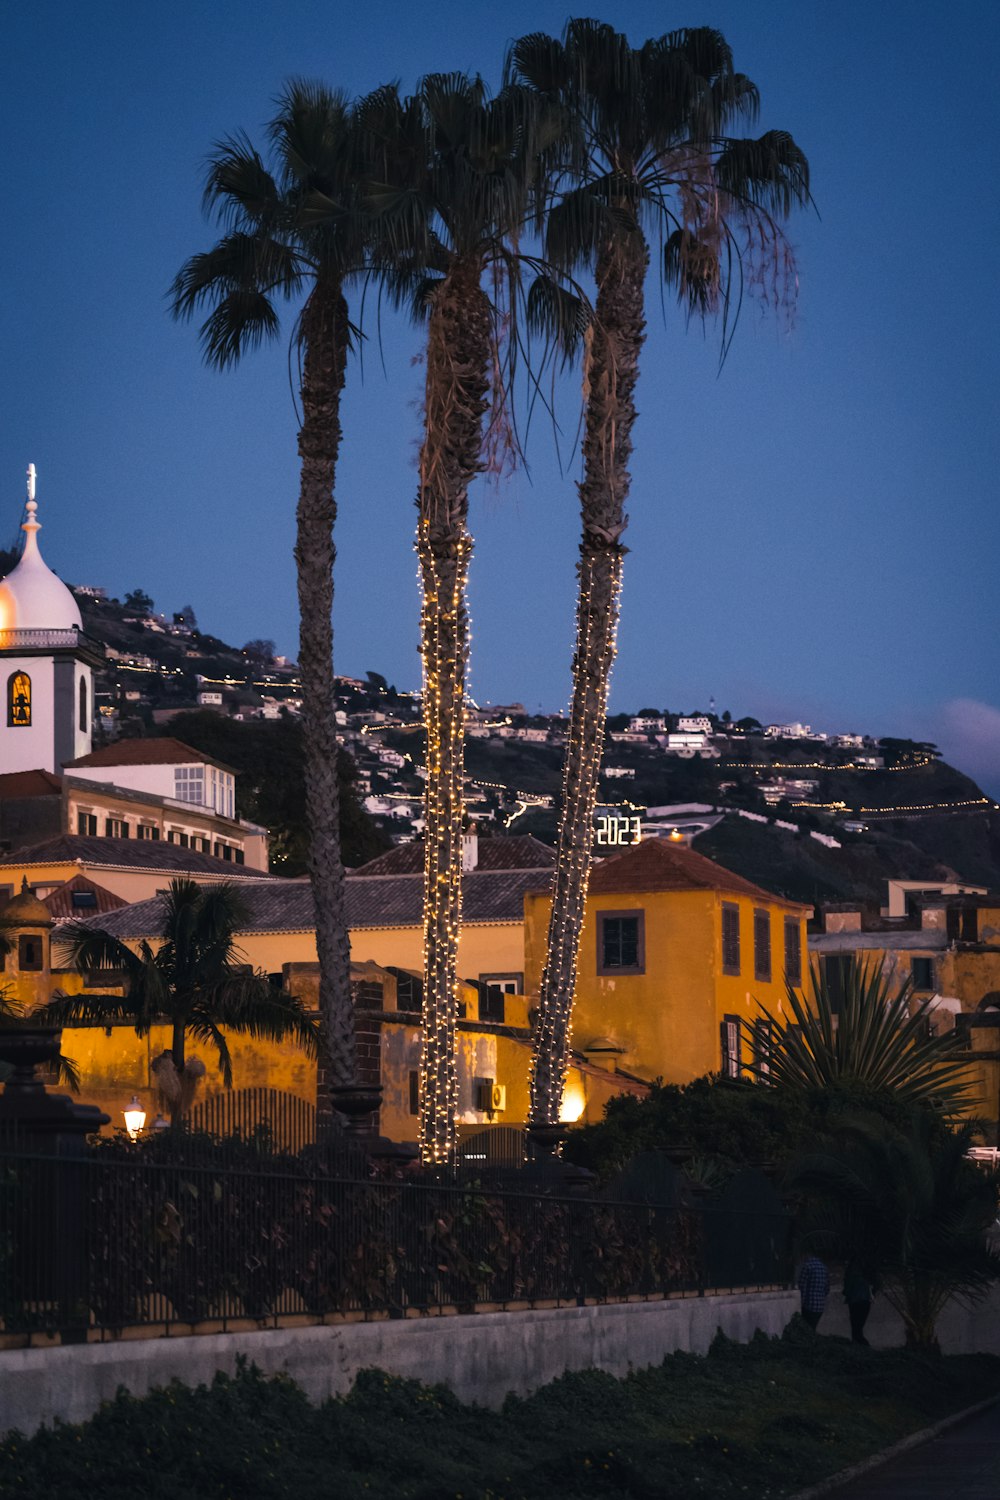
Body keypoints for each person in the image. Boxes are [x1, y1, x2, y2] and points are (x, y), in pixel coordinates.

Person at [843, 1260, 877, 1345]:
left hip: (855, 1301)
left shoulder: (852, 1272)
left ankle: (861, 1346)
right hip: (865, 1301)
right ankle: (861, 1346)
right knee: (859, 1327)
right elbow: (877, 1283)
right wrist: (872, 1293)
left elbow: (847, 1289)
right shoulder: (868, 1271)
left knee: (856, 1328)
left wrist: (846, 1292)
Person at [797, 1254, 830, 1331]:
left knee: (807, 1330)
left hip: (809, 1305)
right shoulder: (824, 1267)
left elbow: (802, 1286)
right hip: (820, 1306)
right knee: (813, 1327)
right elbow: (827, 1288)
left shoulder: (807, 1266)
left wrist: (801, 1302)